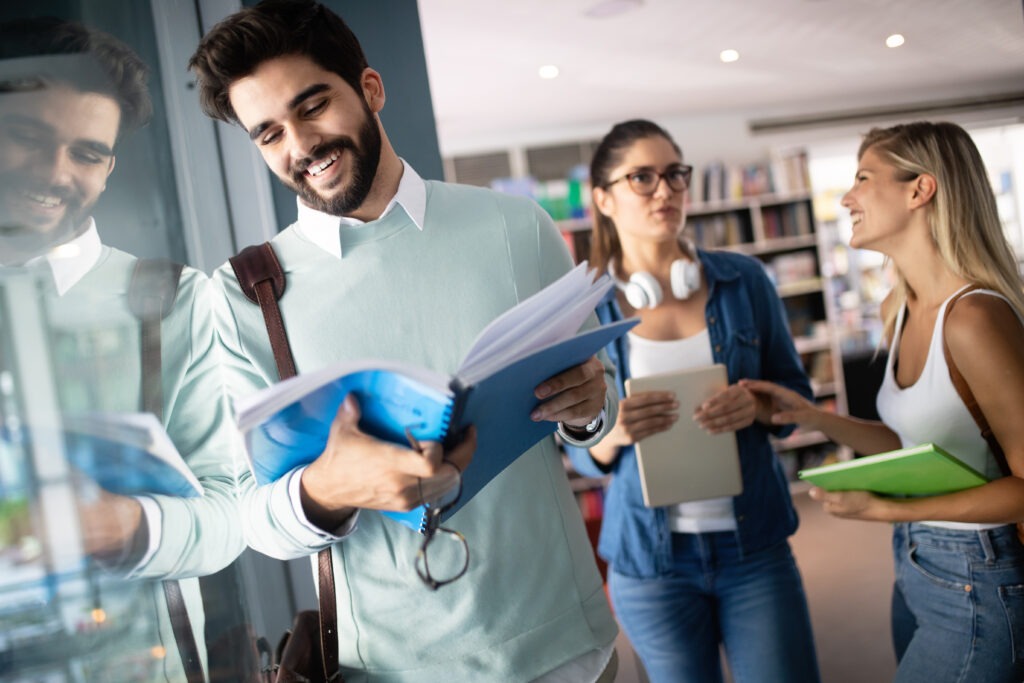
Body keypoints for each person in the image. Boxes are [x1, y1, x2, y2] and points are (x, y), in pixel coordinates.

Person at [187, 1, 620, 681]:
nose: (300, 146)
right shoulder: (242, 294)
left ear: (371, 88)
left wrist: (591, 403)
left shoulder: (517, 225)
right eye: (268, 133)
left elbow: (598, 415)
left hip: (568, 644)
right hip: (397, 664)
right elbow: (245, 512)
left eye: (313, 105)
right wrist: (326, 488)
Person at [0, 18, 245, 681]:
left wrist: (131, 524)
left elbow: (232, 510)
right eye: (27, 137)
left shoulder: (171, 299)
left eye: (86, 153)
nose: (55, 173)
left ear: (109, 167)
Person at [743, 121, 1024, 683]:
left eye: (863, 177)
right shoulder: (899, 307)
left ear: (920, 190)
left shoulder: (973, 318)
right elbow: (914, 448)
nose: (847, 197)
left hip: (979, 574)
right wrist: (808, 416)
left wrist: (887, 509)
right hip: (918, 565)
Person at [562, 119, 822, 683]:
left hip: (755, 548)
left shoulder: (745, 281)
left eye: (675, 175)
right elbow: (578, 453)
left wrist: (757, 408)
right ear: (603, 198)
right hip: (652, 567)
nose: (666, 191)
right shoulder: (586, 312)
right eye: (643, 178)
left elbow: (797, 399)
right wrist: (613, 433)